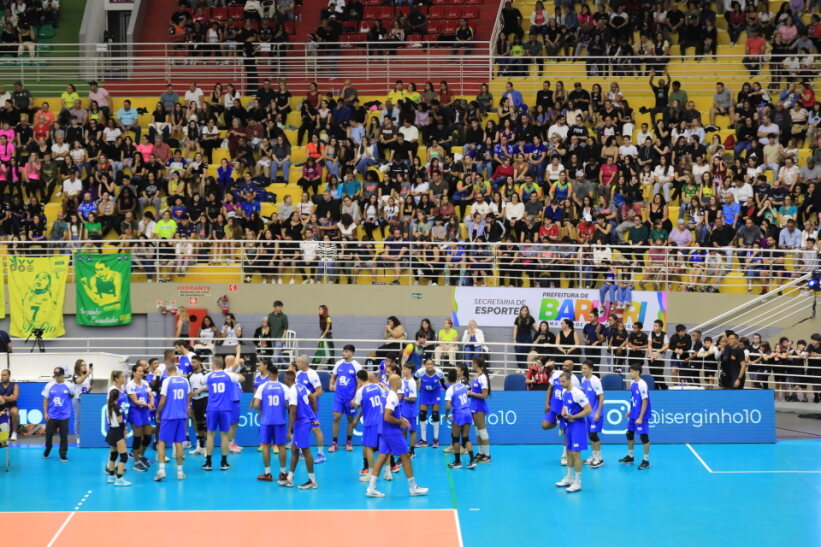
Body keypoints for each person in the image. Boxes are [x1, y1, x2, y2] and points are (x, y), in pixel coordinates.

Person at [365, 374, 429, 498]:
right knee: (406, 457)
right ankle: (413, 488)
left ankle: (371, 488)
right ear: (394, 382)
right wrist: (400, 422)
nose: (401, 381)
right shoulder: (392, 396)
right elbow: (387, 416)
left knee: (381, 458)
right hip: (392, 432)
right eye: (399, 379)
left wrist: (401, 418)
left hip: (383, 431)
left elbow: (390, 412)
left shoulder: (386, 393)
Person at [203, 356, 245, 471]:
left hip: (212, 408)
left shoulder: (208, 376)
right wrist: (234, 373)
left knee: (210, 435)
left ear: (213, 364)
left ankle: (208, 463)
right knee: (224, 436)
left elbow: (202, 382)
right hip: (225, 408)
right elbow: (242, 378)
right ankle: (224, 462)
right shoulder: (229, 375)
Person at [554, 371, 591, 493]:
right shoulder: (564, 392)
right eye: (560, 382)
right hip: (569, 425)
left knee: (576, 453)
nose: (561, 384)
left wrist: (573, 416)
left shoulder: (578, 393)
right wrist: (562, 414)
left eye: (563, 381)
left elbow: (588, 410)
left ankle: (578, 482)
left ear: (569, 380)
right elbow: (565, 407)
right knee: (569, 451)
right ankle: (569, 478)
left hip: (578, 426)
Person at [253, 362, 289, 484]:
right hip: (280, 420)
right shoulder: (284, 387)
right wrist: (282, 407)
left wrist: (264, 410)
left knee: (265, 446)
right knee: (281, 446)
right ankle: (283, 473)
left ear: (268, 374)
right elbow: (289, 403)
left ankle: (267, 473)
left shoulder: (262, 387)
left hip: (266, 421)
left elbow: (256, 404)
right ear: (277, 374)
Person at [284, 369, 319, 489]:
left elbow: (293, 411)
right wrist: (313, 416)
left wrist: (289, 430)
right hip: (305, 421)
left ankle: (312, 481)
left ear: (288, 379)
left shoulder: (292, 391)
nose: (284, 380)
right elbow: (313, 399)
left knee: (305, 450)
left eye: (284, 378)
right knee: (294, 449)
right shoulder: (301, 386)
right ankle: (289, 478)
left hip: (301, 423)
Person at [155, 363, 190, 481]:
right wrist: (187, 409)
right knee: (178, 443)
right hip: (181, 416)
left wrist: (158, 412)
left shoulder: (167, 381)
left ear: (166, 371)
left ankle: (161, 470)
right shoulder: (185, 381)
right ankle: (180, 472)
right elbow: (188, 398)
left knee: (161, 442)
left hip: (168, 415)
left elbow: (163, 400)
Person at [542, 359, 580, 465]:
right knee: (545, 425)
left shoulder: (575, 381)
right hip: (554, 408)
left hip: (566, 410)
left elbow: (576, 396)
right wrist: (547, 403)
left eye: (567, 366)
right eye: (563, 365)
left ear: (572, 367)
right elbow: (550, 388)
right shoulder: (556, 375)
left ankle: (564, 456)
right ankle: (559, 425)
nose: (564, 367)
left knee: (567, 433)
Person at [352, 369, 384, 481]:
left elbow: (356, 406)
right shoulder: (377, 387)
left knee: (368, 447)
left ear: (358, 379)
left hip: (370, 422)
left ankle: (370, 474)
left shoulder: (361, 391)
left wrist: (354, 401)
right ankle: (388, 472)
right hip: (382, 420)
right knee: (384, 446)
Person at [329, 344, 362, 452]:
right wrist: (331, 384)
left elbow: (359, 383)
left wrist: (355, 398)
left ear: (352, 353)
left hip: (350, 398)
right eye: (343, 351)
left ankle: (348, 442)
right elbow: (333, 377)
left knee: (350, 419)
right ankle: (334, 443)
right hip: (339, 397)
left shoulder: (356, 366)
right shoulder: (338, 364)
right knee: (336, 417)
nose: (344, 353)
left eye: (346, 351)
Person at [619, 363, 651, 470]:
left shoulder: (642, 384)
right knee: (629, 434)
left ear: (638, 372)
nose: (630, 373)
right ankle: (630, 456)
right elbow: (633, 399)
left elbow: (645, 401)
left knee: (643, 437)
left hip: (641, 415)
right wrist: (630, 411)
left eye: (632, 371)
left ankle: (646, 461)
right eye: (630, 371)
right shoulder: (632, 383)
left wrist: (640, 417)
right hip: (633, 413)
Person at [444, 367, 477, 470]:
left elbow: (448, 406)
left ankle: (458, 462)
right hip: (467, 412)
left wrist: (446, 415)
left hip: (459, 414)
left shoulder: (450, 390)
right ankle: (472, 460)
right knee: (466, 438)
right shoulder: (462, 385)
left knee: (455, 438)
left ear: (448, 378)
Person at [296, 355, 326, 463]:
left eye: (299, 362)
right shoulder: (298, 374)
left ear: (305, 363)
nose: (297, 364)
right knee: (300, 428)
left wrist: (308, 398)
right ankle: (301, 452)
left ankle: (321, 454)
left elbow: (319, 391)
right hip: (301, 407)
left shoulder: (312, 374)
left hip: (311, 408)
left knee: (315, 429)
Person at [41, 367, 75, 461]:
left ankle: (63, 453)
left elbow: (73, 395)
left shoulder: (69, 385)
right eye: (56, 376)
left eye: (59, 376)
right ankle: (48, 448)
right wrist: (45, 413)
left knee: (63, 436)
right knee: (48, 435)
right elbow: (45, 399)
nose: (57, 377)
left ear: (63, 375)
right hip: (52, 416)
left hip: (64, 416)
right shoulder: (49, 385)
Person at [126, 363, 155, 471]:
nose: (142, 373)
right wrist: (147, 405)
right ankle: (136, 461)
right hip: (135, 412)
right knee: (137, 438)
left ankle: (141, 455)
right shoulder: (130, 385)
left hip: (145, 412)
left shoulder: (145, 383)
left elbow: (150, 395)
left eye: (142, 371)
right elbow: (135, 401)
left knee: (148, 436)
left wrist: (151, 402)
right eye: (139, 371)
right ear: (134, 373)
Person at [104, 383, 131, 487]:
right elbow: (120, 422)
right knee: (124, 456)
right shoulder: (117, 407)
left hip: (111, 432)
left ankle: (111, 476)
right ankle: (119, 478)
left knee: (113, 455)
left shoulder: (108, 407)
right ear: (117, 397)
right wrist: (125, 432)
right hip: (117, 433)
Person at [414, 359, 445, 448]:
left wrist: (448, 390)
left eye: (431, 364)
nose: (430, 366)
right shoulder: (420, 372)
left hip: (435, 393)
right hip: (425, 393)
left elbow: (443, 383)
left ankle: (436, 439)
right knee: (422, 414)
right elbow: (413, 380)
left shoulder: (439, 372)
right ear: (425, 365)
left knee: (435, 414)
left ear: (433, 365)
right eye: (428, 364)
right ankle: (424, 440)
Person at [580, 361, 604, 468]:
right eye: (582, 368)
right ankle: (594, 456)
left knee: (594, 435)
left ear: (591, 369)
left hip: (595, 413)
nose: (583, 370)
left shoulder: (595, 380)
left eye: (585, 368)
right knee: (590, 435)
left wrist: (598, 412)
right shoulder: (583, 380)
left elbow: (601, 397)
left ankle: (600, 458)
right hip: (587, 413)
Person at [468, 357, 492, 463]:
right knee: (477, 431)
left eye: (472, 363)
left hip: (480, 407)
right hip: (474, 406)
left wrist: (471, 393)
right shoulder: (476, 376)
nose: (471, 365)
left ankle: (487, 455)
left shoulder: (483, 378)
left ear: (476, 364)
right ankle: (481, 452)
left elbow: (485, 395)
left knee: (482, 430)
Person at [187, 356, 208, 455]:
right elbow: (189, 391)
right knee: (198, 425)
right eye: (191, 362)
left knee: (205, 425)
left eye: (194, 362)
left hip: (205, 400)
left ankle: (207, 448)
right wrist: (188, 404)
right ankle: (201, 447)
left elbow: (211, 387)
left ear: (199, 362)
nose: (192, 364)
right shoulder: (190, 375)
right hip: (195, 402)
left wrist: (200, 390)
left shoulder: (206, 373)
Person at [70, 360, 92, 443]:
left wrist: (90, 389)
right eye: (82, 365)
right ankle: (78, 436)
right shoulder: (75, 376)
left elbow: (86, 388)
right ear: (78, 366)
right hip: (77, 399)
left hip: (85, 399)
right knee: (78, 418)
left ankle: (86, 434)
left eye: (85, 365)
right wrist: (87, 374)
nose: (85, 366)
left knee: (86, 418)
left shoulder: (87, 377)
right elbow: (79, 381)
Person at [399, 363, 419, 456]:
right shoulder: (402, 380)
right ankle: (404, 450)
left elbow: (413, 398)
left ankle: (412, 451)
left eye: (405, 369)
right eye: (403, 369)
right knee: (403, 429)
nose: (403, 371)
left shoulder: (412, 382)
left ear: (410, 370)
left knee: (412, 430)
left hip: (410, 410)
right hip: (403, 409)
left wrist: (403, 397)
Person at [647, 320, 669, 390]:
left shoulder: (664, 335)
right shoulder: (651, 333)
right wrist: (651, 354)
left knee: (659, 375)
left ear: (660, 327)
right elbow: (649, 345)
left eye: (656, 326)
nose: (654, 327)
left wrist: (658, 352)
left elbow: (666, 346)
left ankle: (664, 388)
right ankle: (656, 389)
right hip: (651, 357)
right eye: (654, 325)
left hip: (660, 358)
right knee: (653, 374)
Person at [0, 369, 19, 441]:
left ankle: (14, 433)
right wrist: (9, 397)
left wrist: (2, 397)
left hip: (11, 407)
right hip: (1, 408)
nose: (2, 377)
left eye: (4, 375)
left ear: (9, 376)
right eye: (1, 375)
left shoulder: (15, 386)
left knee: (15, 411)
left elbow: (14, 398)